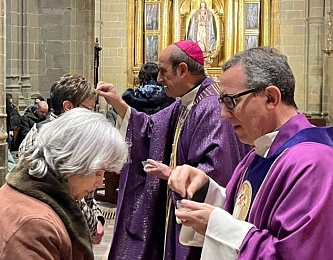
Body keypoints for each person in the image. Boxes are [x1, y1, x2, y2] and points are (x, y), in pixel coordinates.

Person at [168, 47, 333, 260]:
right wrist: (204, 189)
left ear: (271, 98)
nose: (223, 115)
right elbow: (244, 210)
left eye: (230, 101)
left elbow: (296, 254)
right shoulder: (261, 151)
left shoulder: (313, 163)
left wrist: (217, 225)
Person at [96, 40, 248, 260]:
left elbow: (215, 172)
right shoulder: (187, 101)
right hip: (178, 210)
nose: (159, 79)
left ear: (182, 70)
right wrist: (118, 102)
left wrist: (170, 174)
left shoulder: (211, 106)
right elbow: (150, 128)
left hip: (199, 227)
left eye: (163, 71)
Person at [0, 108, 129, 260]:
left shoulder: (38, 190)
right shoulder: (34, 226)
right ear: (75, 163)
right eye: (97, 173)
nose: (99, 182)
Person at [19, 74, 106, 244]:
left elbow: (85, 194)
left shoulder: (73, 134)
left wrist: (97, 216)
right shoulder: (53, 138)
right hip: (52, 226)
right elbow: (69, 195)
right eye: (88, 109)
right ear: (68, 106)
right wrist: (93, 224)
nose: (92, 115)